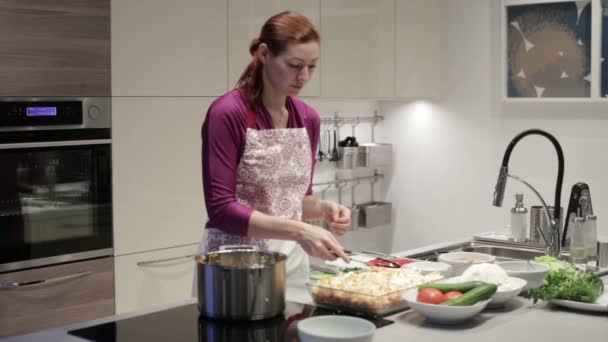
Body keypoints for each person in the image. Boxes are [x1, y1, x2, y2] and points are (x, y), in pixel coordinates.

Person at [199, 11, 351, 281]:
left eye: (312, 66)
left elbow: (294, 200)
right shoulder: (227, 113)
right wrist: (301, 231)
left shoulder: (308, 118)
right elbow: (221, 210)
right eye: (294, 65)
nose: (304, 76)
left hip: (290, 262)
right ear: (264, 53)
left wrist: (324, 209)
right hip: (234, 265)